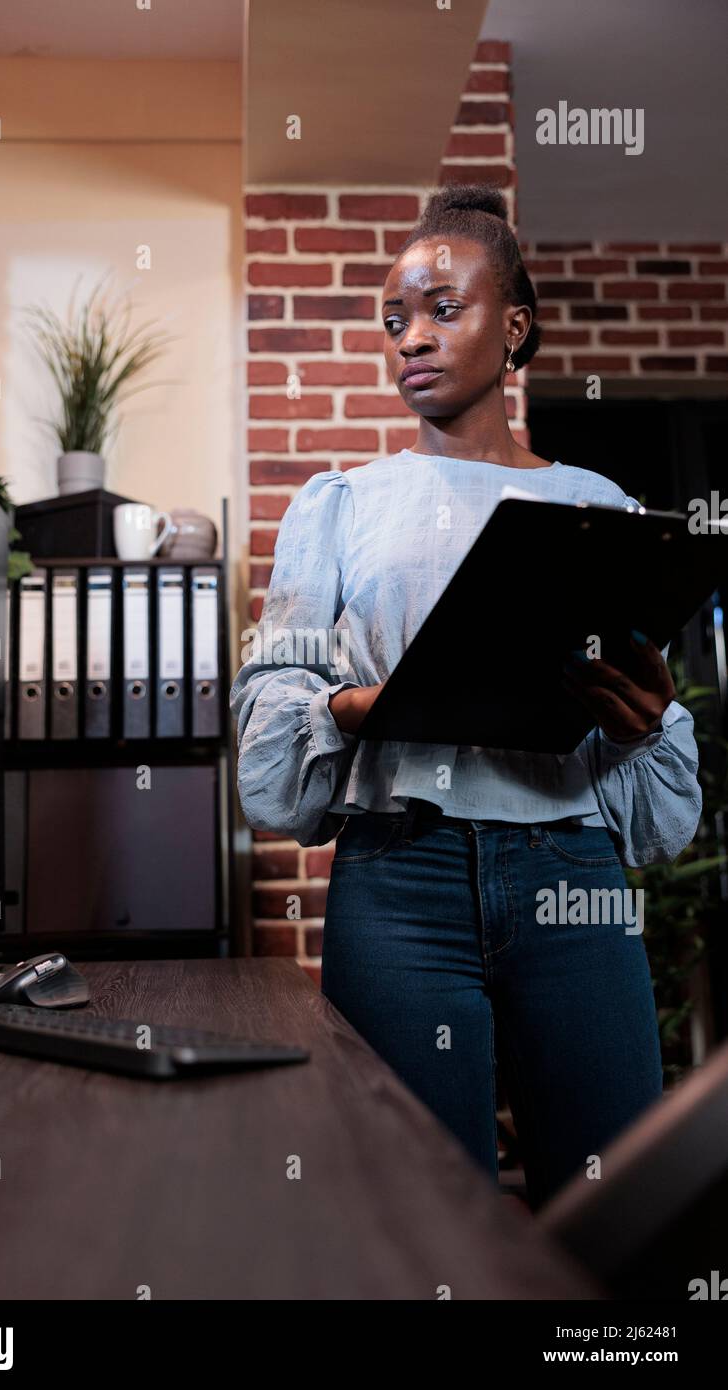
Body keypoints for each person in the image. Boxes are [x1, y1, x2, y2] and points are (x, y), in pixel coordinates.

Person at [229, 184, 702, 1210]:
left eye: (444, 309)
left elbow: (657, 815)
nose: (412, 338)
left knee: (613, 1200)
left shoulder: (597, 508)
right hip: (399, 883)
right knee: (415, 1210)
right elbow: (272, 743)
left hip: (568, 876)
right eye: (396, 319)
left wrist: (643, 722)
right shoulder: (342, 503)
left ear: (514, 327)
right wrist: (351, 710)